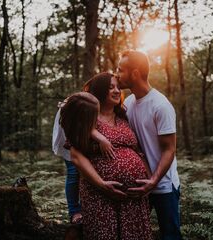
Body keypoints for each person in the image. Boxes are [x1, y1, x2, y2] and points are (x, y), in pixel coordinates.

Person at [61, 74, 153, 240]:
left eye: (118, 87)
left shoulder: (124, 118)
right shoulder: (87, 117)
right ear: (100, 90)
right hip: (100, 196)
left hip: (134, 199)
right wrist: (102, 184)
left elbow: (137, 151)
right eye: (111, 87)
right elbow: (75, 156)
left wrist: (149, 180)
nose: (117, 91)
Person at [118, 49, 182, 240]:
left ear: (135, 73)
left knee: (170, 235)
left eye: (120, 69)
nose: (116, 74)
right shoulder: (128, 103)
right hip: (138, 186)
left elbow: (169, 149)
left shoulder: (160, 105)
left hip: (163, 186)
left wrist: (153, 181)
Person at [52, 96, 115, 224]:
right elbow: (79, 124)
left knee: (86, 173)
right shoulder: (80, 103)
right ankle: (75, 211)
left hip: (82, 134)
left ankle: (86, 208)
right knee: (74, 171)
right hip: (70, 133)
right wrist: (101, 138)